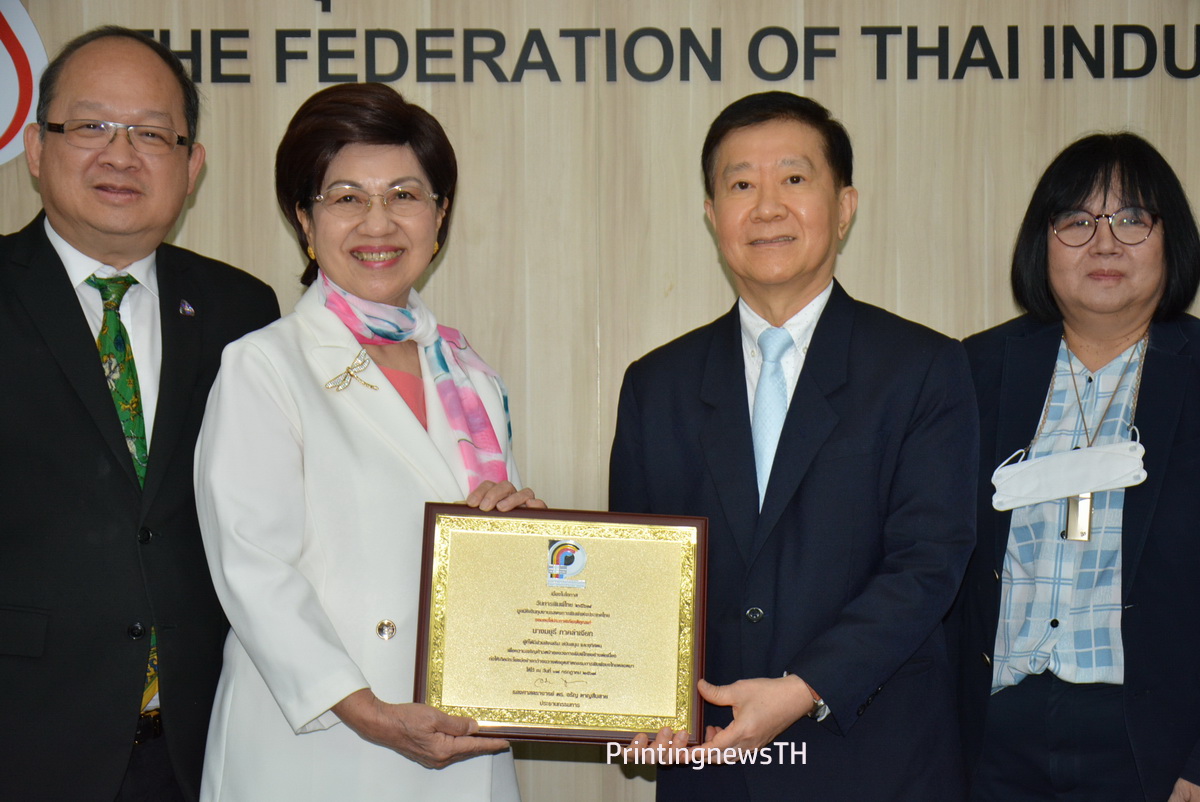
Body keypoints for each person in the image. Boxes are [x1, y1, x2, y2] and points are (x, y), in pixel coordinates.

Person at [609, 91, 978, 799]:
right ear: (713, 215)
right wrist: (638, 695)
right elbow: (641, 577)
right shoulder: (656, 384)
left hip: (874, 759)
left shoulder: (923, 367)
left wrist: (805, 687)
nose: (768, 206)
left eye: (795, 179)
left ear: (844, 207)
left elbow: (929, 563)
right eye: (741, 184)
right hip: (711, 766)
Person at [194, 82, 543, 801]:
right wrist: (368, 712)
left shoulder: (469, 375)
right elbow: (254, 571)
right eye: (346, 197)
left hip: (457, 737)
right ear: (305, 218)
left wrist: (522, 535)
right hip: (319, 742)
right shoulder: (265, 364)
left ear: (440, 216)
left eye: (406, 196)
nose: (378, 223)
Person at [0, 25, 279, 802]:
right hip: (23, 737)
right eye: (90, 126)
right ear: (35, 147)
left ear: (191, 166)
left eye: (152, 134)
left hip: (197, 743)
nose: (120, 156)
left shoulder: (242, 308)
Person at [950, 133, 1200, 802]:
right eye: (1076, 221)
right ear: (1043, 243)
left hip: (1154, 744)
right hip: (996, 740)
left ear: (1169, 239)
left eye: (1131, 218)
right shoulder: (973, 374)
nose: (1105, 243)